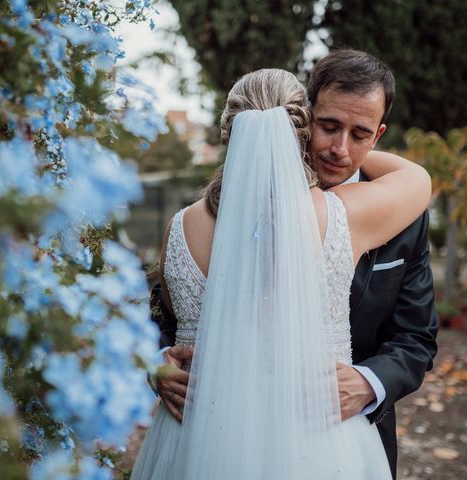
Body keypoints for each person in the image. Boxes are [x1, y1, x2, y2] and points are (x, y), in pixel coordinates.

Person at [133, 61, 433, 479]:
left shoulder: (182, 227)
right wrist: (157, 362)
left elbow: (417, 337)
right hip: (314, 446)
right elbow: (158, 322)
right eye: (328, 126)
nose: (340, 149)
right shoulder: (353, 214)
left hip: (213, 441)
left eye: (360, 134)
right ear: (303, 120)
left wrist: (370, 383)